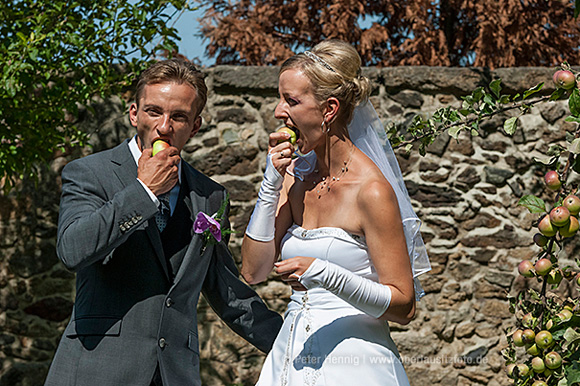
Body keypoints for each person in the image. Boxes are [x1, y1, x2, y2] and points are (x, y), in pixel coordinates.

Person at [45, 58, 283, 386]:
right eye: (154, 111)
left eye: (179, 116)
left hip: (174, 375)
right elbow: (73, 250)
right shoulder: (90, 173)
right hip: (96, 370)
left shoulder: (210, 195)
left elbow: (226, 290)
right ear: (134, 114)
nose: (164, 127)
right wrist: (144, 192)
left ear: (196, 126)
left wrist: (292, 345)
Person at [241, 40, 431, 385]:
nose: (277, 111)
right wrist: (271, 183)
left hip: (355, 365)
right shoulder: (295, 178)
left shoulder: (371, 191)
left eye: (292, 101)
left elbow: (405, 306)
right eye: (280, 97)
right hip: (291, 356)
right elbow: (253, 271)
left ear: (328, 109)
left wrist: (325, 273)